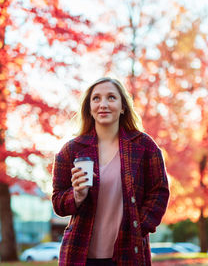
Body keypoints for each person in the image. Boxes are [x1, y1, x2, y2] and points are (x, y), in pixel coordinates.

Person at [52, 77, 169, 266]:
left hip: (128, 253)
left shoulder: (144, 146)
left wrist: (138, 227)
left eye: (111, 97)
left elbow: (159, 191)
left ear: (123, 106)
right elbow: (58, 202)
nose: (103, 104)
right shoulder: (71, 150)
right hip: (80, 255)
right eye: (96, 98)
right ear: (89, 107)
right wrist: (77, 195)